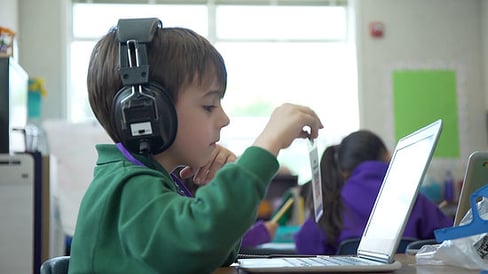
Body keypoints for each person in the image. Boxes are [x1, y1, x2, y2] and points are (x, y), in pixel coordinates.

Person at [68, 17, 323, 274]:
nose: (224, 119)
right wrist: (269, 143)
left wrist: (217, 186)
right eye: (209, 106)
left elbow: (214, 252)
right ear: (145, 111)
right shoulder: (128, 187)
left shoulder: (149, 181)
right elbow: (199, 242)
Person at [294, 130, 453, 255]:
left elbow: (305, 245)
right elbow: (454, 240)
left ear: (342, 170)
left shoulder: (332, 204)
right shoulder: (414, 199)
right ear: (388, 156)